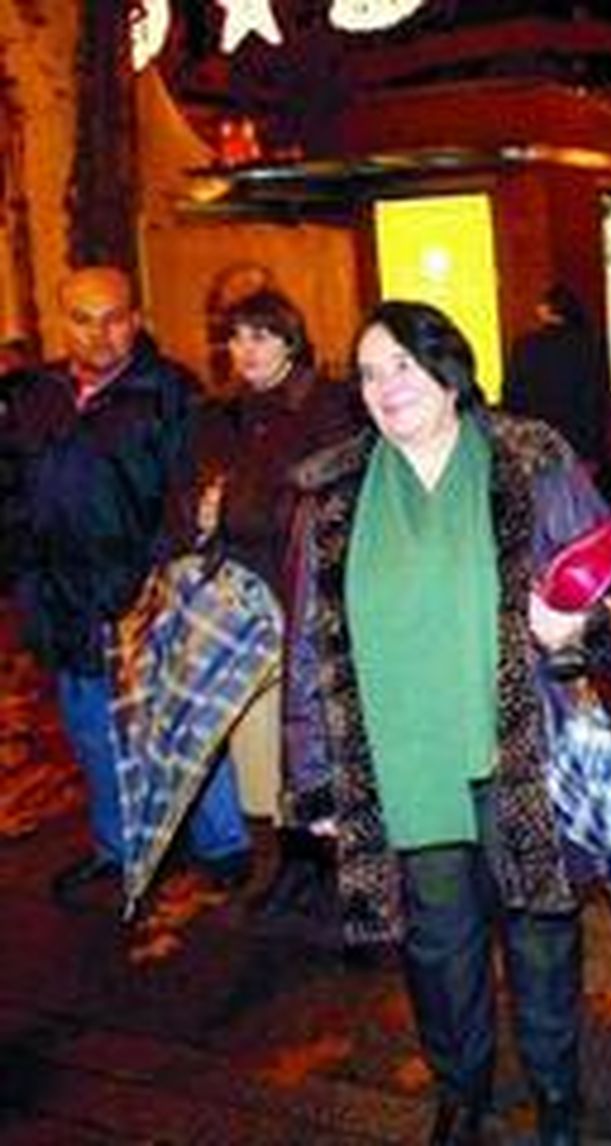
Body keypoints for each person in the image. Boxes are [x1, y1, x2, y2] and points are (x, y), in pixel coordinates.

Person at [284, 300, 611, 1145]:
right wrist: (314, 776)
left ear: (449, 369)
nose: (384, 386)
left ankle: (556, 1094)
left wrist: (576, 629)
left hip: (522, 749)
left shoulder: (532, 460)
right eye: (368, 373)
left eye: (402, 364)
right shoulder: (332, 494)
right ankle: (461, 1092)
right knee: (439, 953)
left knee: (542, 936)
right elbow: (307, 647)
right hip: (407, 769)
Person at [1, 266, 250, 899]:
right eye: (83, 319)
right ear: (63, 323)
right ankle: (121, 848)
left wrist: (163, 574)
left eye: (113, 318)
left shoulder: (168, 392)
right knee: (90, 731)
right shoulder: (33, 395)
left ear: (135, 320)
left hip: (147, 589)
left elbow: (193, 487)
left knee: (181, 719)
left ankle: (221, 845)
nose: (99, 334)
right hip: (62, 597)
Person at [169, 288, 359, 920]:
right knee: (265, 745)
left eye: (260, 336)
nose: (245, 350)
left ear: (291, 340)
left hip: (304, 598)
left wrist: (244, 511)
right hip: (247, 606)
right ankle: (295, 861)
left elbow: (326, 499)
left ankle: (341, 873)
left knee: (313, 737)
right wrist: (201, 516)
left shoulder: (327, 406)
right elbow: (193, 491)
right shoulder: (222, 415)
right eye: (237, 337)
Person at [503, 284, 609, 472]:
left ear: (546, 309)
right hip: (579, 440)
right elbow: (596, 398)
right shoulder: (589, 343)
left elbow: (513, 397)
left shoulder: (526, 346)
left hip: (537, 441)